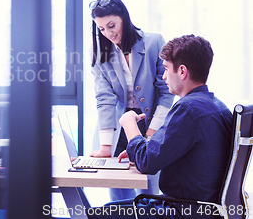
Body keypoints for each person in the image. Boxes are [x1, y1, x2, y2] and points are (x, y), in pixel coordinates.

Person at [87, 34, 233, 219]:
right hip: (201, 208)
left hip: (182, 211)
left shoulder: (187, 110)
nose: (163, 76)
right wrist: (136, 151)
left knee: (95, 215)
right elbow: (164, 152)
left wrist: (129, 123)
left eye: (165, 69)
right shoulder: (217, 106)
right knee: (108, 208)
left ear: (182, 71)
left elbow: (147, 162)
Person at [89, 0, 174, 201]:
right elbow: (105, 99)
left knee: (148, 193)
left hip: (150, 122)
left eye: (111, 25)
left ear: (124, 19)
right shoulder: (101, 52)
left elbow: (165, 92)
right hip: (118, 128)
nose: (107, 33)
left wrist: (152, 133)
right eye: (101, 29)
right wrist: (105, 147)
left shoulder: (154, 42)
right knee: (118, 197)